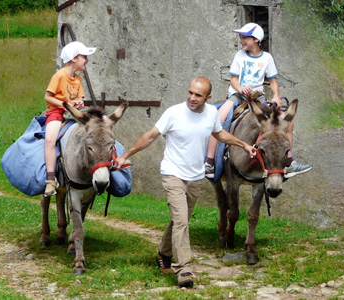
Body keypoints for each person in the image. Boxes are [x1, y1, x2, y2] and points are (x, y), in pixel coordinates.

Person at [115, 77, 257, 288]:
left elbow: (219, 133)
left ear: (207, 98)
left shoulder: (211, 113)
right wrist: (125, 155)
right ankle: (183, 269)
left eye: (198, 95)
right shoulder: (174, 113)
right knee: (182, 222)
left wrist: (243, 144)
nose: (192, 97)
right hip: (172, 174)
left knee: (178, 220)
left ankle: (163, 252)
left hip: (195, 177)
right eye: (190, 92)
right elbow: (151, 136)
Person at [206, 23, 311, 179]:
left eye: (244, 38)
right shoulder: (239, 55)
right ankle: (210, 162)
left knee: (286, 121)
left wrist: (276, 95)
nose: (241, 40)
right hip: (237, 95)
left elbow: (273, 81)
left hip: (258, 97)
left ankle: (290, 162)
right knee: (218, 119)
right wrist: (241, 88)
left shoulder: (267, 58)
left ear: (255, 39)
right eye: (240, 37)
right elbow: (233, 80)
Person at [42, 41, 94, 196]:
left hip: (73, 114)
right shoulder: (59, 76)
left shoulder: (78, 79)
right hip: (56, 113)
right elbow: (47, 97)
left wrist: (78, 104)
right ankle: (51, 180)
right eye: (84, 56)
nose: (86, 60)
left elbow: (79, 100)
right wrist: (65, 105)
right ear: (73, 58)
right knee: (50, 139)